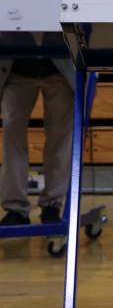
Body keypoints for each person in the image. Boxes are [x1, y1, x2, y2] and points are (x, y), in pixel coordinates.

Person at [0, 54, 75, 226]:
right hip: (16, 68)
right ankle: (15, 209)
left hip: (60, 68)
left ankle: (52, 205)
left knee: (60, 139)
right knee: (12, 137)